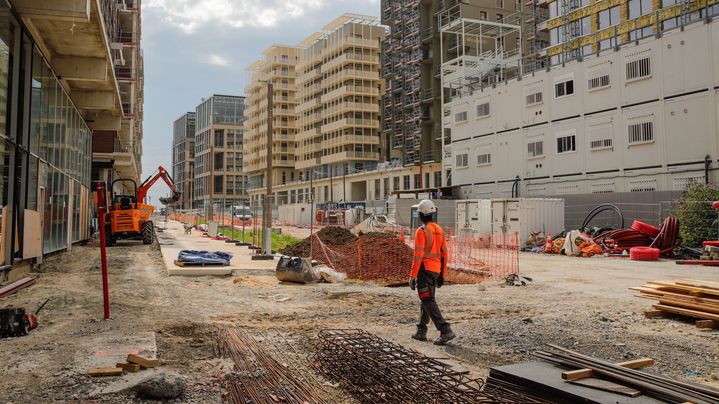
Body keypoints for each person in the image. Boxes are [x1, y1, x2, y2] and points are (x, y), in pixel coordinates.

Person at [408, 199, 455, 345]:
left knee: (427, 300)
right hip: (435, 270)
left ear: (421, 215)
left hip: (424, 270)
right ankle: (421, 331)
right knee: (426, 300)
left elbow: (418, 256)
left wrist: (413, 276)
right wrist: (442, 274)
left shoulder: (421, 231)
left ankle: (445, 330)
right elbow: (444, 253)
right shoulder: (439, 230)